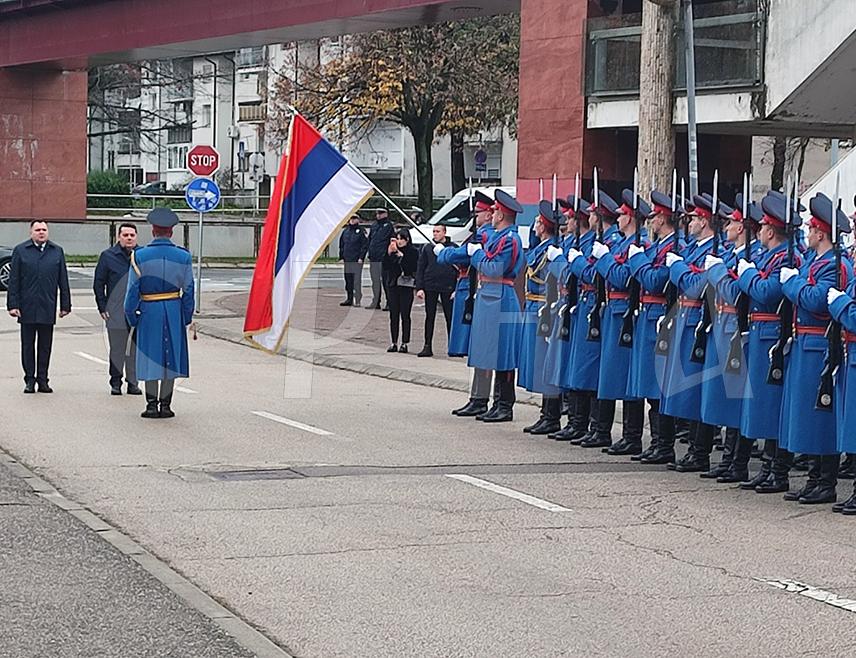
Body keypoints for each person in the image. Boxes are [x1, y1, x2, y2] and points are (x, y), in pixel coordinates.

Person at [777, 192, 852, 504]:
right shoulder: (815, 262)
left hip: (820, 344)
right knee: (808, 415)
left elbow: (816, 300)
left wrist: (791, 283)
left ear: (821, 233)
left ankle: (825, 481)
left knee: (821, 415)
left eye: (811, 229)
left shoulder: (834, 264)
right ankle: (813, 478)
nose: (807, 233)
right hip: (804, 342)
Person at [662, 193, 721, 472]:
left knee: (697, 388)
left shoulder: (714, 251)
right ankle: (692, 449)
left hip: (698, 322)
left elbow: (695, 286)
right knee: (687, 388)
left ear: (705, 221)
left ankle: (700, 451)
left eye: (696, 218)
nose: (690, 222)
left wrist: (677, 268)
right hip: (684, 319)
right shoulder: (694, 249)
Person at [124, 208, 195, 419]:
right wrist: (185, 316)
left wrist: (132, 316)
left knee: (151, 357)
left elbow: (132, 291)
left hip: (149, 310)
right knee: (170, 357)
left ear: (153, 231)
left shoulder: (139, 255)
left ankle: (151, 405)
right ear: (171, 232)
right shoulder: (183, 256)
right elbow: (189, 290)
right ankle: (166, 405)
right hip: (173, 308)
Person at [467, 189, 525, 423]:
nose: (491, 215)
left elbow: (494, 268)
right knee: (491, 350)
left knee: (504, 353)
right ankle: (491, 402)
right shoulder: (499, 237)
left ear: (501, 215)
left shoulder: (510, 239)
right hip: (491, 296)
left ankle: (504, 404)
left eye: (495, 212)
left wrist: (476, 256)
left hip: (502, 296)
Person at [436, 191, 495, 416]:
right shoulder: (478, 234)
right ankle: (477, 397)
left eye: (478, 213)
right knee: (475, 350)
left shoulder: (485, 236)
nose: (475, 216)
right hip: (468, 289)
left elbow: (461, 255)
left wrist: (444, 252)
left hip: (473, 291)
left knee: (480, 349)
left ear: (488, 215)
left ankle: (480, 398)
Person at [6, 220, 71, 393]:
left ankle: (43, 380)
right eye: (38, 230)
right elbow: (14, 280)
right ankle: (29, 379)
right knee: (28, 346)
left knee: (45, 346)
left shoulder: (56, 251)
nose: (41, 232)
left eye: (44, 229)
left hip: (47, 305)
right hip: (26, 306)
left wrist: (65, 304)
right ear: (31, 232)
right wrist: (13, 304)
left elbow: (63, 279)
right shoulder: (21, 251)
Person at [519, 200, 563, 435]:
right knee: (539, 364)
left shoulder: (551, 251)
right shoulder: (542, 248)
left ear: (544, 226)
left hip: (544, 308)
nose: (534, 225)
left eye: (537, 222)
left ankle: (552, 416)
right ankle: (545, 414)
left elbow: (553, 283)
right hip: (534, 307)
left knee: (547, 363)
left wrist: (549, 310)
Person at [94, 223, 141, 396]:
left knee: (135, 349)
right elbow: (99, 283)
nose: (129, 238)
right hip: (115, 311)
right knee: (117, 349)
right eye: (125, 235)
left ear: (136, 237)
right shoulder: (108, 256)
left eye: (132, 235)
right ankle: (115, 382)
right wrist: (102, 306)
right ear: (118, 237)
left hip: (138, 311)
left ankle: (133, 383)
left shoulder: (142, 255)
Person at [415, 224, 456, 357]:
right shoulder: (428, 248)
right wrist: (420, 287)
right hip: (431, 285)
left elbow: (459, 268)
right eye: (434, 231)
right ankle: (427, 346)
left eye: (438, 231)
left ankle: (452, 346)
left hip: (448, 286)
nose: (435, 234)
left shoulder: (452, 248)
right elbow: (421, 267)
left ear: (444, 232)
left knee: (450, 317)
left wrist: (456, 288)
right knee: (429, 316)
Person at [383, 227, 419, 353]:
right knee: (393, 315)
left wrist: (401, 256)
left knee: (405, 315)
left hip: (406, 285)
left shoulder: (412, 252)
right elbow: (386, 266)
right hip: (393, 285)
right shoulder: (392, 250)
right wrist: (389, 253)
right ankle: (393, 342)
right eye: (397, 239)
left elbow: (411, 267)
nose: (398, 242)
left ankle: (405, 342)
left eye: (401, 239)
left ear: (407, 240)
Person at [367, 208, 395, 310]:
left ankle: (389, 302)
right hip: (374, 257)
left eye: (381, 213)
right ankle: (376, 301)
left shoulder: (389, 226)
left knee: (386, 281)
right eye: (377, 213)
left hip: (384, 258)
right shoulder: (374, 225)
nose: (378, 215)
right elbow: (370, 239)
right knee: (375, 281)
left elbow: (391, 241)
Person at [338, 214, 368, 307]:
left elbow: (364, 246)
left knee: (356, 280)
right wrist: (341, 257)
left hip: (356, 260)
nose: (352, 220)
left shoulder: (361, 231)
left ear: (358, 220)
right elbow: (342, 245)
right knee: (348, 280)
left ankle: (357, 299)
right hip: (348, 259)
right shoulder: (345, 231)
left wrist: (361, 257)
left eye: (354, 218)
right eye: (351, 218)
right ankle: (349, 298)